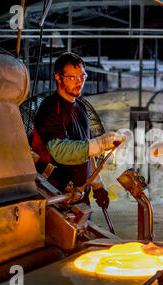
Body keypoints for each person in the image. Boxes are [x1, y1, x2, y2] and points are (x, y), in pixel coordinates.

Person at [33, 52, 125, 209]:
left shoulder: (81, 107)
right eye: (72, 78)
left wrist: (97, 185)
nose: (79, 82)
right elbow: (59, 151)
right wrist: (101, 143)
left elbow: (87, 152)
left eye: (82, 76)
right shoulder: (50, 108)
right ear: (58, 77)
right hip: (55, 198)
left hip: (80, 197)